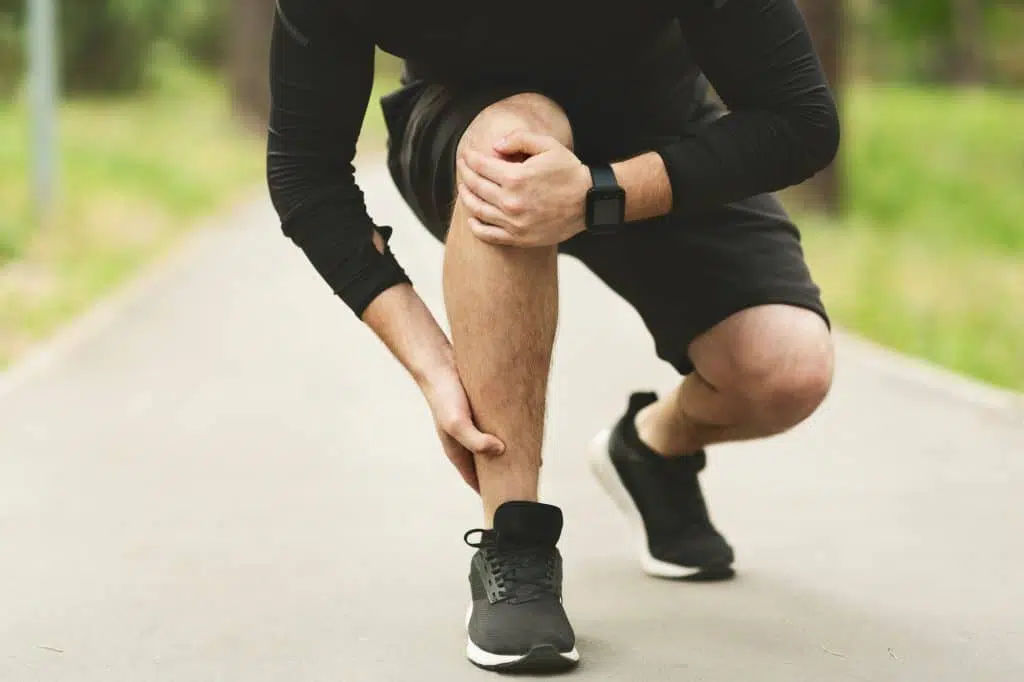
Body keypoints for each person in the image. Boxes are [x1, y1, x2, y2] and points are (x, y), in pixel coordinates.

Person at [267, 0, 839, 673]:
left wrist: (600, 193)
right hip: (467, 125)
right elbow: (307, 173)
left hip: (656, 135)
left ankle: (650, 451)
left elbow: (800, 122)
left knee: (785, 370)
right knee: (514, 141)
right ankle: (515, 541)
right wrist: (434, 366)